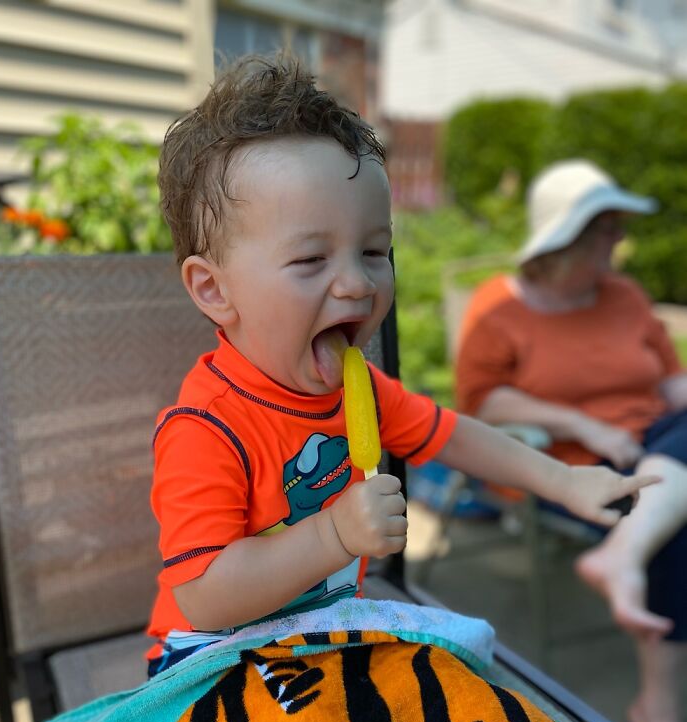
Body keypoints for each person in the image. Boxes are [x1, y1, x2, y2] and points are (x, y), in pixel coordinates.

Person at [149, 58, 652, 685]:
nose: (358, 283)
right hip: (213, 663)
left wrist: (566, 482)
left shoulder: (359, 388)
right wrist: (336, 533)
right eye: (310, 258)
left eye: (373, 251)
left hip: (324, 637)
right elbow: (203, 595)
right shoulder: (205, 428)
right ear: (214, 289)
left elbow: (455, 435)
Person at [456, 159, 687, 722]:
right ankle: (658, 712)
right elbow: (483, 403)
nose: (618, 238)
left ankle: (623, 554)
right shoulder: (499, 308)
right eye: (606, 227)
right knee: (680, 528)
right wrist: (582, 423)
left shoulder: (627, 297)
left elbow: (671, 384)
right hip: (582, 469)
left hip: (661, 437)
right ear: (566, 239)